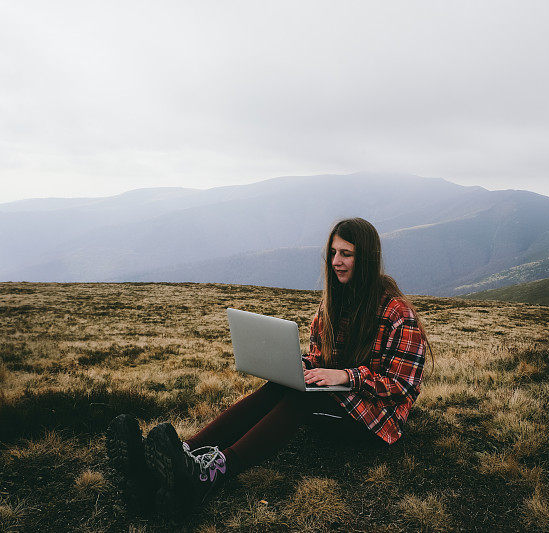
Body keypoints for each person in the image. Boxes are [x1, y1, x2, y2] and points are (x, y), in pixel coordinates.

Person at [105, 217, 432, 514]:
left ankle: (210, 475)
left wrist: (346, 376)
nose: (336, 262)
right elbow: (319, 359)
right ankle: (179, 455)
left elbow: (402, 386)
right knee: (284, 386)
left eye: (346, 254)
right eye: (332, 253)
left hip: (376, 420)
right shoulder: (334, 304)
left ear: (367, 258)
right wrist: (297, 367)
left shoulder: (396, 314)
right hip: (341, 398)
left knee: (306, 397)